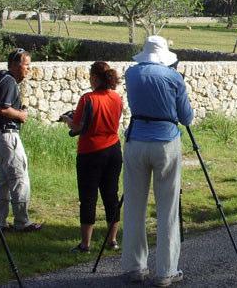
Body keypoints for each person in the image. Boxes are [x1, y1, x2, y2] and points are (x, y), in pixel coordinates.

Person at [121, 36, 193, 287]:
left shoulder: (131, 74)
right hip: (165, 141)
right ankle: (166, 271)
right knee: (167, 208)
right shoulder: (174, 78)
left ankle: (134, 266)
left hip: (136, 140)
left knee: (133, 204)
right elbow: (186, 117)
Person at [62, 61, 123, 253]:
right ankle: (112, 240)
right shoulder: (116, 98)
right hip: (113, 150)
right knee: (111, 195)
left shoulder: (87, 99)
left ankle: (85, 244)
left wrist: (66, 120)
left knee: (88, 198)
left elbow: (78, 126)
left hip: (90, 152)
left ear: (94, 78)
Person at [0, 48, 42, 232]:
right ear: (16, 65)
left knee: (3, 181)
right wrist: (21, 115)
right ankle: (22, 222)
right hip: (7, 137)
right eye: (26, 65)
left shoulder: (0, 79)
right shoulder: (9, 82)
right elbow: (2, 108)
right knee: (19, 179)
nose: (28, 69)